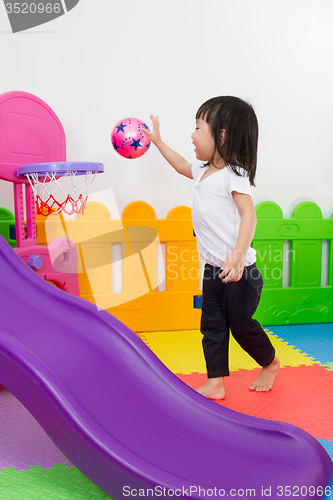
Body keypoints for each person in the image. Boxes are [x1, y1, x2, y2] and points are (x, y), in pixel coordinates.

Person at [143, 96, 280, 400]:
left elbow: (249, 214)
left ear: (221, 135)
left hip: (240, 272)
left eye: (197, 127)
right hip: (213, 270)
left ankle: (270, 363)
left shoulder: (234, 175)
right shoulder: (202, 172)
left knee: (242, 328)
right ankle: (215, 382)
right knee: (212, 327)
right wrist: (158, 141)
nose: (192, 135)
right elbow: (180, 164)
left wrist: (239, 254)